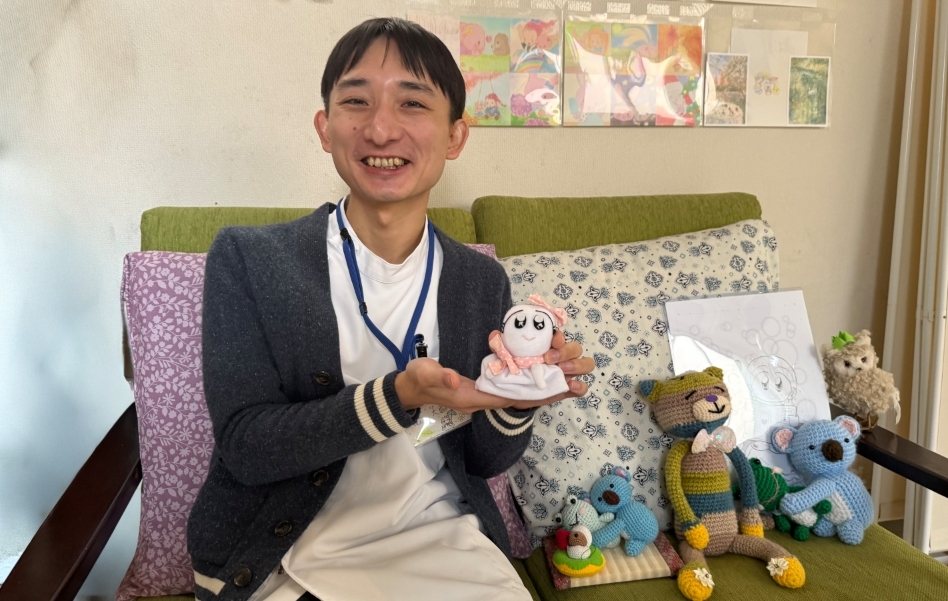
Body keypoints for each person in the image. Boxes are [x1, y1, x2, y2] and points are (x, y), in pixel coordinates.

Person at [187, 17, 592, 601]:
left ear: (455, 136)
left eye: (412, 103)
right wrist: (399, 396)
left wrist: (518, 397)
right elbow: (247, 447)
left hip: (443, 543)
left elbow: (483, 461)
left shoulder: (479, 281)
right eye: (356, 101)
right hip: (285, 557)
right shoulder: (250, 259)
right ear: (325, 127)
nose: (380, 129)